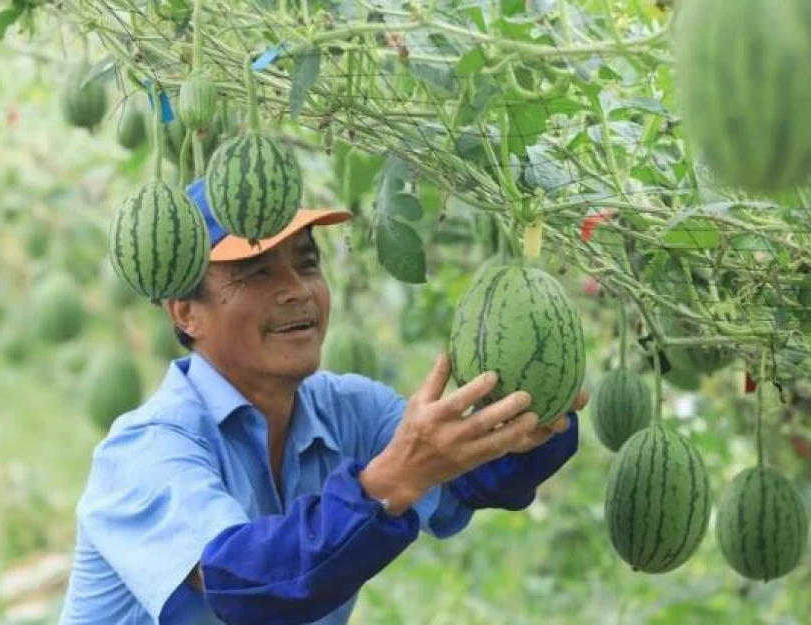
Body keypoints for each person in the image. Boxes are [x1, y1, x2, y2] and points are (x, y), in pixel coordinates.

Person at [57, 177, 587, 625]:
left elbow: (471, 481)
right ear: (185, 314)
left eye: (307, 264)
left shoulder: (350, 411)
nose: (297, 289)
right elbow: (244, 582)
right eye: (257, 271)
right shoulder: (145, 449)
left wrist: (532, 421)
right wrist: (389, 484)